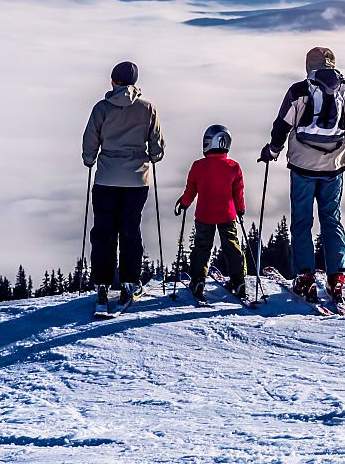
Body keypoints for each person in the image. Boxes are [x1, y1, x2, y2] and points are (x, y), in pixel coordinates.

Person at [258, 47, 345, 304]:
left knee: (302, 221)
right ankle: (336, 277)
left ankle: (305, 278)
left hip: (302, 167)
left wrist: (272, 150)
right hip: (334, 167)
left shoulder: (299, 91)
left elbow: (282, 125)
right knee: (331, 219)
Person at [82, 61, 165, 313]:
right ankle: (129, 282)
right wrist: (150, 156)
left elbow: (90, 140)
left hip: (106, 178)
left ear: (113, 81)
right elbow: (157, 147)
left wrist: (90, 159)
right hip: (136, 181)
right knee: (130, 230)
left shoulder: (102, 108)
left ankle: (103, 285)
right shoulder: (148, 108)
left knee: (103, 232)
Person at [175, 125, 248, 303]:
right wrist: (240, 209)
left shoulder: (198, 166)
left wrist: (184, 204)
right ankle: (239, 282)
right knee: (232, 246)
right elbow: (238, 192)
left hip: (204, 214)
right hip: (227, 214)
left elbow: (191, 190)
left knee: (202, 247)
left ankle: (198, 281)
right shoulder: (233, 167)